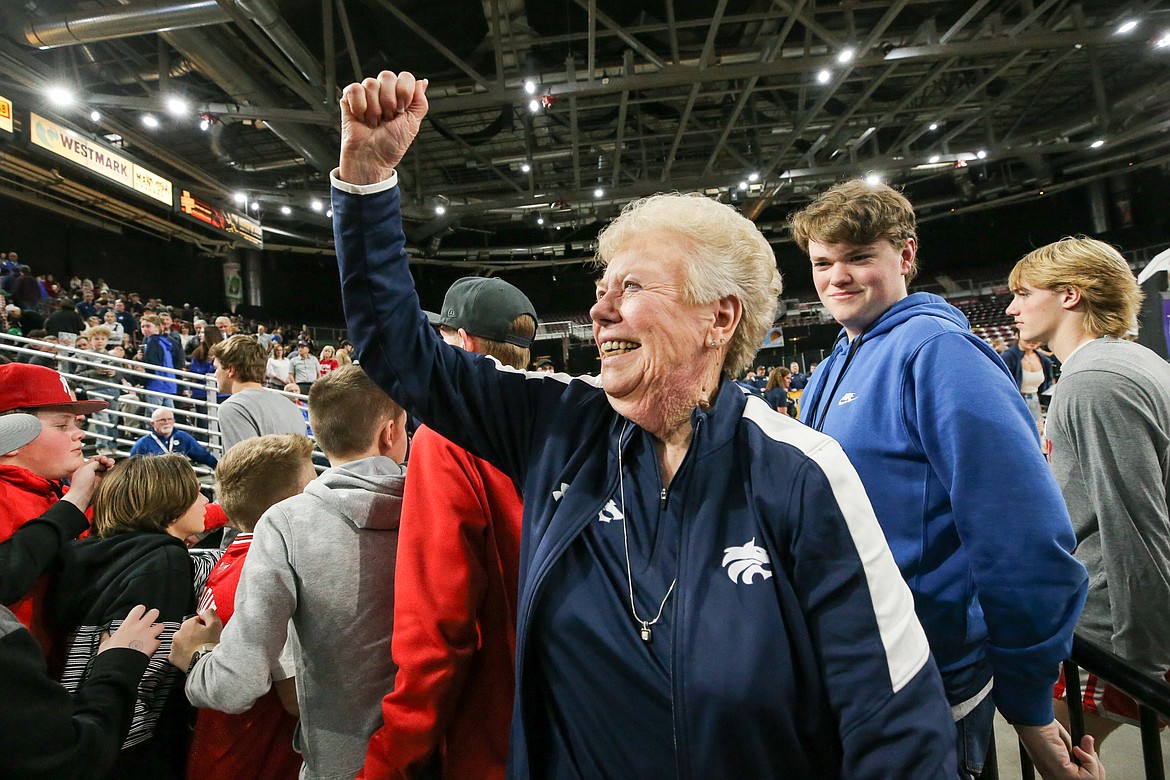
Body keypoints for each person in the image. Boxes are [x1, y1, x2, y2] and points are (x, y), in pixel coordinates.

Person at [332, 70, 958, 778]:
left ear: (720, 316)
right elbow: (396, 347)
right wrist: (366, 181)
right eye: (601, 290)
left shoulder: (800, 472)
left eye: (631, 287)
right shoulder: (556, 424)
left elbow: (896, 725)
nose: (599, 311)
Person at [790, 179, 1093, 779]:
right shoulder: (830, 367)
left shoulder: (940, 354)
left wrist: (1030, 704)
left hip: (932, 684)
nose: (837, 277)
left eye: (857, 257)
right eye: (823, 262)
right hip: (857, 680)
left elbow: (1023, 537)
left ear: (905, 255)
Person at [170, 365, 409, 779]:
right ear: (390, 433)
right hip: (441, 746)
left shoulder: (287, 523)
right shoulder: (441, 506)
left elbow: (236, 683)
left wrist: (195, 659)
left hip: (342, 762)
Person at [359, 277, 536, 780]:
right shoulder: (565, 419)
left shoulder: (447, 438)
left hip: (488, 734)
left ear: (465, 345)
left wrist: (390, 764)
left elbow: (436, 630)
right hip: (567, 722)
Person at [1006, 236, 1170, 746]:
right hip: (1123, 624)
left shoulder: (1095, 379)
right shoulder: (1127, 362)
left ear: (1070, 295)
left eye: (1024, 293)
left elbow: (1134, 524)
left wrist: (1144, 660)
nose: (1012, 308)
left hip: (1115, 635)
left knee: (1059, 757)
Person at [52, 455, 219, 778]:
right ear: (169, 500)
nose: (205, 500)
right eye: (195, 492)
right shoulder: (164, 561)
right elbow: (145, 673)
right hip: (130, 747)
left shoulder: (92, 552)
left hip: (83, 727)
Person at [183, 434, 315, 780]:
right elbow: (295, 700)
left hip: (223, 753)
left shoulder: (235, 556)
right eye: (313, 488)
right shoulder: (268, 572)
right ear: (292, 504)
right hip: (255, 760)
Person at [0, 363, 109, 660]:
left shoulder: (55, 492)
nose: (79, 435)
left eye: (77, 424)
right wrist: (74, 503)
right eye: (62, 426)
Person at [209, 335, 306, 453]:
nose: (215, 374)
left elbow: (242, 467)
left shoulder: (233, 407)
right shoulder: (290, 405)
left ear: (231, 370)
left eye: (216, 368)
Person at [130, 408, 218, 468]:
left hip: (178, 480)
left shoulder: (183, 437)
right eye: (162, 420)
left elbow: (202, 455)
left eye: (169, 419)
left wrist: (218, 467)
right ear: (153, 424)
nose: (167, 422)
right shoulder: (142, 444)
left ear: (174, 421)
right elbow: (133, 467)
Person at [1000, 335, 1055, 424]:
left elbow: (1047, 385)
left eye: (1035, 338)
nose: (1032, 341)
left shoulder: (1045, 361)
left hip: (1036, 403)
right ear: (1017, 335)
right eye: (1028, 337)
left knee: (1038, 431)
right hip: (1014, 404)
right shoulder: (1007, 357)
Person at [137, 314, 185, 409]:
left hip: (155, 384)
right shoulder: (164, 341)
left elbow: (152, 364)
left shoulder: (152, 342)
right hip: (169, 384)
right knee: (167, 415)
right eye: (142, 326)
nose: (145, 329)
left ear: (157, 327)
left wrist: (143, 382)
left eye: (148, 326)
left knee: (154, 416)